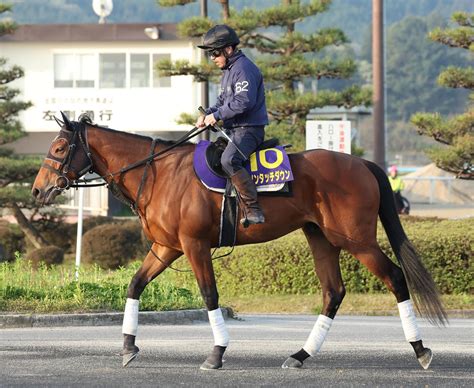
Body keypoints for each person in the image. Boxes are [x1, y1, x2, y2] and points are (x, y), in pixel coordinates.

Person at [196, 24, 269, 226]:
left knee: (229, 160)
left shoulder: (244, 69)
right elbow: (222, 101)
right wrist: (208, 114)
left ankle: (253, 209)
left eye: (215, 52)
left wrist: (218, 115)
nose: (212, 57)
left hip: (249, 130)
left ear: (229, 49)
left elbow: (244, 102)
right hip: (235, 130)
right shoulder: (229, 70)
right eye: (210, 53)